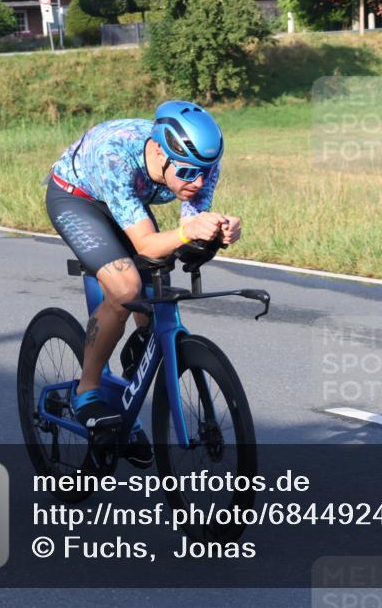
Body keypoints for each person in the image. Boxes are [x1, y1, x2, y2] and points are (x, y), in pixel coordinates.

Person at [45, 101, 242, 468]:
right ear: (158, 152)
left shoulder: (199, 164)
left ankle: (126, 401)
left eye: (204, 172)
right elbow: (148, 243)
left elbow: (190, 230)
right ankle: (87, 392)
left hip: (126, 200)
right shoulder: (117, 156)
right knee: (125, 289)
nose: (197, 182)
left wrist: (218, 231)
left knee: (157, 292)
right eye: (186, 172)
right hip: (78, 199)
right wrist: (186, 231)